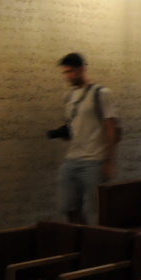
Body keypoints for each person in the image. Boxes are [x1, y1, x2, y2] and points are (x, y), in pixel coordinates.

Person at [54, 52, 119, 225]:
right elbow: (74, 126)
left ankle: (102, 238)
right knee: (68, 206)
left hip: (94, 160)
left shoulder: (101, 93)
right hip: (72, 158)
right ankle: (81, 237)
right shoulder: (69, 96)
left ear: (82, 69)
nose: (67, 76)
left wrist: (109, 161)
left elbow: (110, 128)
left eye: (70, 71)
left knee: (100, 209)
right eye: (65, 72)